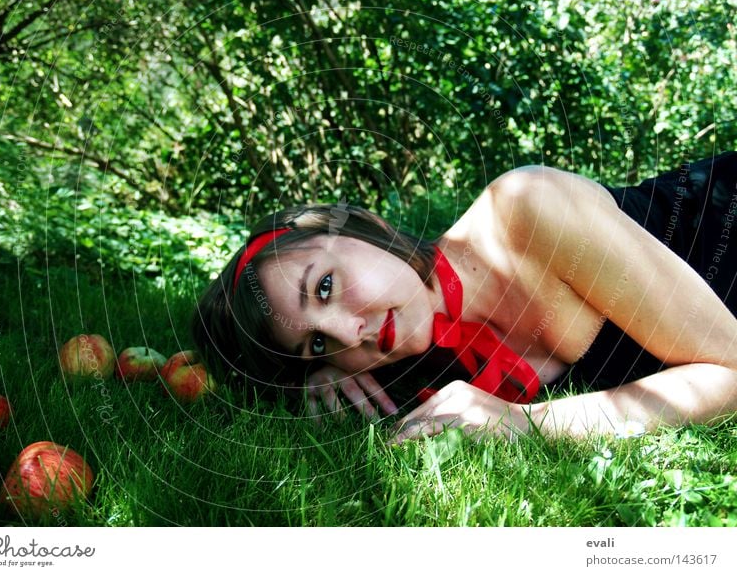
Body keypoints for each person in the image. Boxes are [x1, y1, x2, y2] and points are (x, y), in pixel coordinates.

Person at [193, 152, 737, 441]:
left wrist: (524, 426)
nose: (348, 332)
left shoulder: (528, 210)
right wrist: (321, 374)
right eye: (316, 341)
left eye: (326, 286)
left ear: (360, 226)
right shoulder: (392, 359)